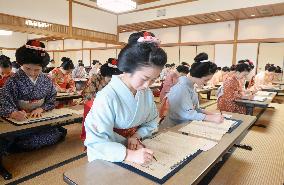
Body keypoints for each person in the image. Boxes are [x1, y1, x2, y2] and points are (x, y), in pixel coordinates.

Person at [84, 31, 167, 164]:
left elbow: (152, 121)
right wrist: (129, 155)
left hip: (137, 145)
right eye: (145, 78)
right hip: (111, 153)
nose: (147, 85)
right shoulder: (106, 97)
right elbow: (96, 141)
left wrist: (136, 135)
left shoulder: (145, 93)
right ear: (128, 69)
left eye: (153, 80)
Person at [0, 40, 65, 152]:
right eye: (28, 68)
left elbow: (51, 99)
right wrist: (13, 113)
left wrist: (41, 108)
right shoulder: (12, 81)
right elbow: (4, 102)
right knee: (26, 140)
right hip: (21, 123)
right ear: (21, 64)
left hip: (39, 120)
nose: (32, 73)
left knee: (52, 134)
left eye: (37, 70)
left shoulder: (46, 80)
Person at [167, 53, 223, 124]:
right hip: (175, 125)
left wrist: (212, 114)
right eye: (205, 80)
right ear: (197, 75)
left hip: (186, 122)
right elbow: (187, 114)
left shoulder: (190, 86)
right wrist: (209, 117)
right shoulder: (181, 88)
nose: (206, 83)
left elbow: (195, 109)